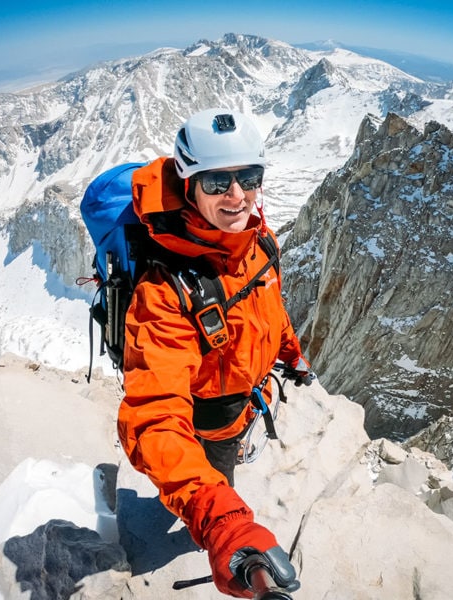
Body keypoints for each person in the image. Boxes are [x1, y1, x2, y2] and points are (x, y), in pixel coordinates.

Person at [116, 108, 314, 598]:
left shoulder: (258, 240)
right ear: (188, 185)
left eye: (248, 177)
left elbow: (270, 308)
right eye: (216, 182)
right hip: (209, 416)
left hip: (246, 395)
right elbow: (155, 418)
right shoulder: (162, 291)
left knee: (222, 463)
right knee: (216, 477)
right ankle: (202, 523)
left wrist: (292, 353)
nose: (237, 196)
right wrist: (227, 525)